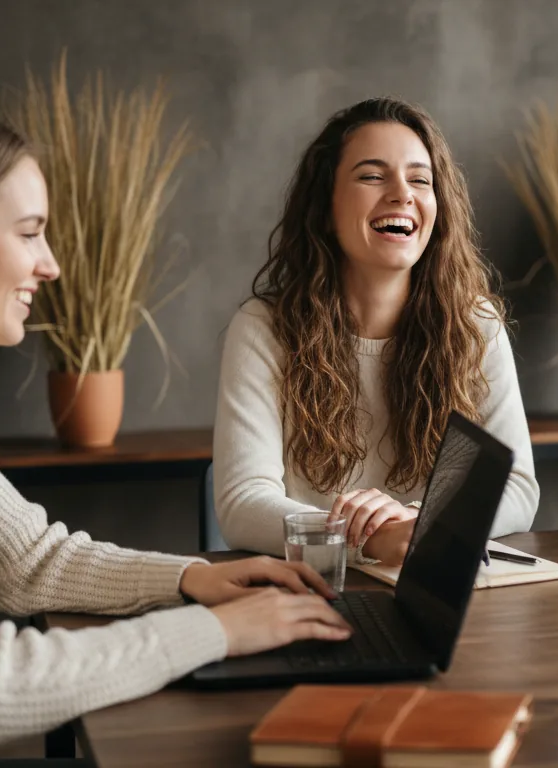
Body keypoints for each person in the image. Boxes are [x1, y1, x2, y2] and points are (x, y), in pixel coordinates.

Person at [0, 106, 351, 768]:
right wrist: (214, 632)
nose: (49, 265)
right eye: (28, 233)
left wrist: (193, 578)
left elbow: (28, 561)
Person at [213, 97, 539, 564]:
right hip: (316, 591)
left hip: (436, 590)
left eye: (420, 180)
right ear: (325, 207)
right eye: (372, 176)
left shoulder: (476, 325)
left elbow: (516, 486)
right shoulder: (264, 329)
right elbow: (242, 502)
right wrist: (361, 537)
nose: (402, 194)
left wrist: (417, 522)